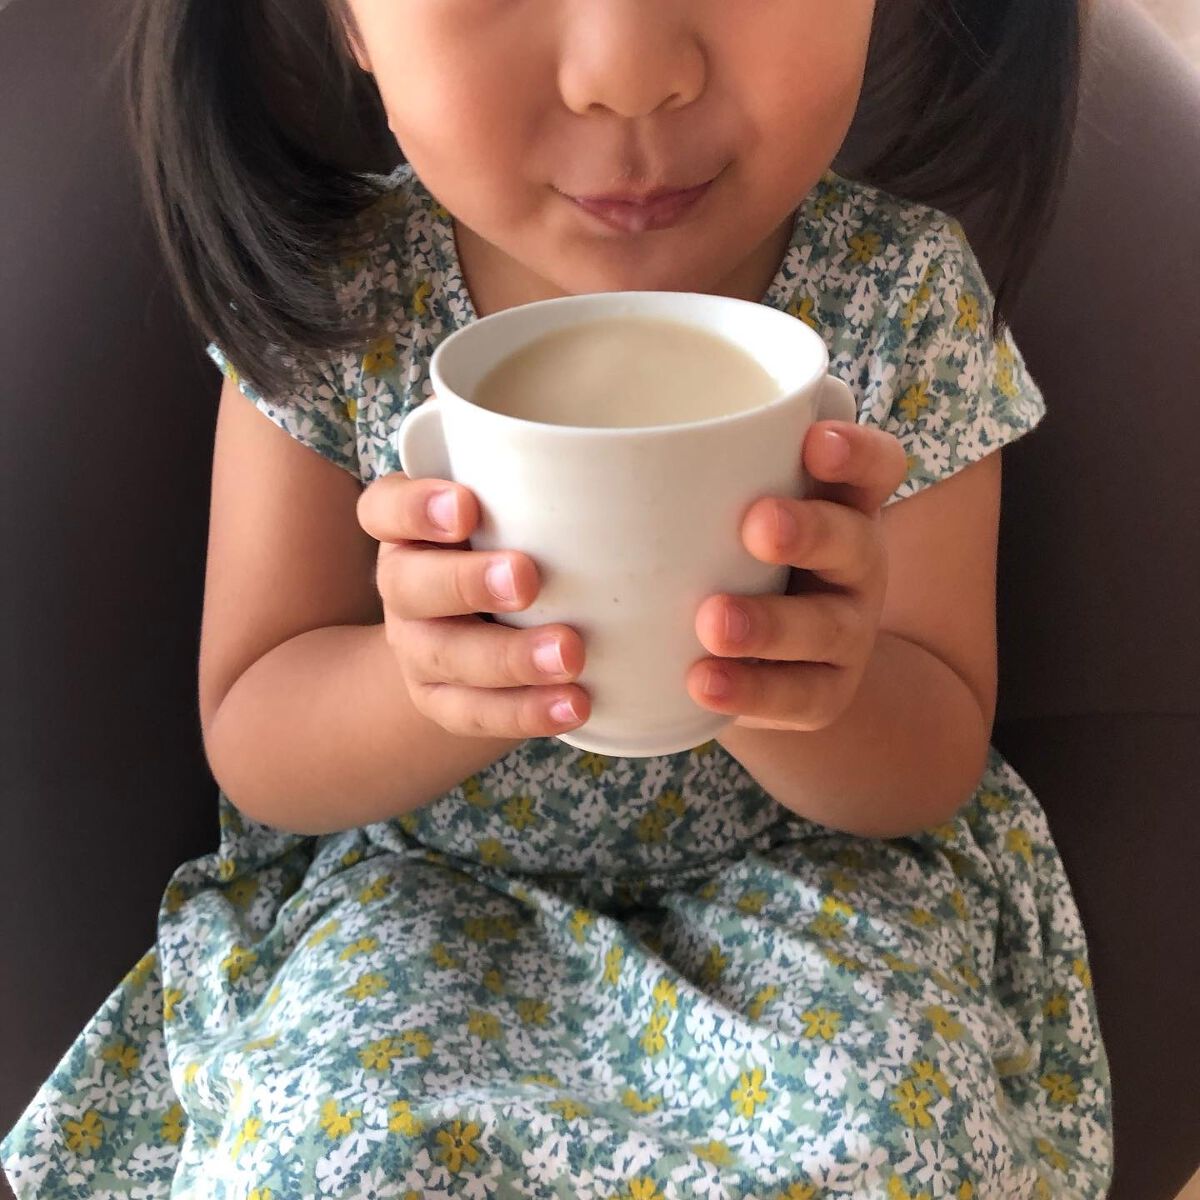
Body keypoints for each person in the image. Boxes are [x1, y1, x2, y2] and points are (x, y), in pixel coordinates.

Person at [1, 0, 1113, 1196]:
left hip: (815, 890)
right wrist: (424, 678)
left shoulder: (903, 299)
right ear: (347, 23)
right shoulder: (339, 301)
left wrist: (784, 672)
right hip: (420, 905)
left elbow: (936, 753)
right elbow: (256, 733)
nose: (628, 74)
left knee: (896, 1147)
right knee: (331, 1160)